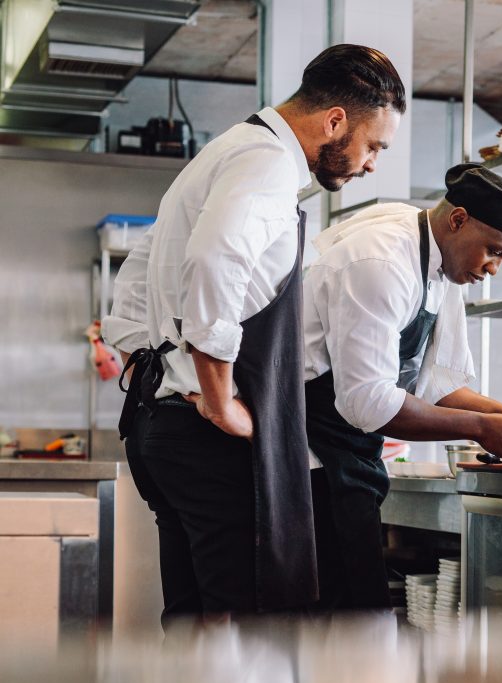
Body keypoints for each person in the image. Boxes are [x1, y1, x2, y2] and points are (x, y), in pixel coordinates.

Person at [101, 44, 406, 619]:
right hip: (203, 437)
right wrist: (218, 401)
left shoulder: (227, 151)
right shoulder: (266, 162)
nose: (371, 164)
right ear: (334, 120)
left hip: (162, 428)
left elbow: (137, 274)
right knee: (244, 633)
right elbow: (215, 262)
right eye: (374, 145)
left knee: (195, 626)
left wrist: (151, 366)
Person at [302, 163, 502, 609]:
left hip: (352, 458)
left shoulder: (443, 268)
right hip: (310, 460)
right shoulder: (380, 261)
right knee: (340, 621)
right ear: (458, 220)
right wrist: (480, 428)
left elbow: (435, 385)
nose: (493, 269)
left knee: (361, 617)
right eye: (493, 251)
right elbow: (368, 402)